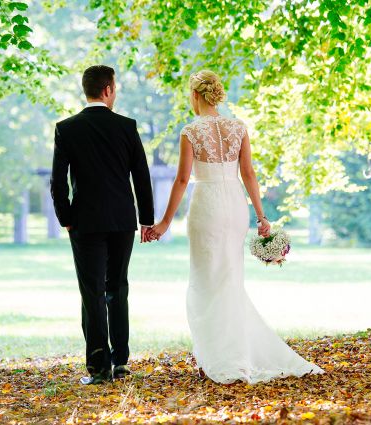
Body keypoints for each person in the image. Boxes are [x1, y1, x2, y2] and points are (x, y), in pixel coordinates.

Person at [147, 70, 323, 383]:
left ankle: (218, 357)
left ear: (195, 95)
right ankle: (233, 352)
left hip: (207, 205)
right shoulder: (238, 127)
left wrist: (164, 223)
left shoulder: (190, 131)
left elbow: (183, 179)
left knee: (206, 280)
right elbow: (249, 174)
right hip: (234, 204)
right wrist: (262, 216)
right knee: (230, 278)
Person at [51, 65, 155, 385]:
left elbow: (58, 182)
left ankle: (99, 367)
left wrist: (66, 219)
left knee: (92, 292)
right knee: (118, 287)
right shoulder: (126, 126)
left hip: (85, 222)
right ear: (108, 89)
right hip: (122, 221)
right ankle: (120, 361)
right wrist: (146, 219)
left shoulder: (67, 128)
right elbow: (141, 176)